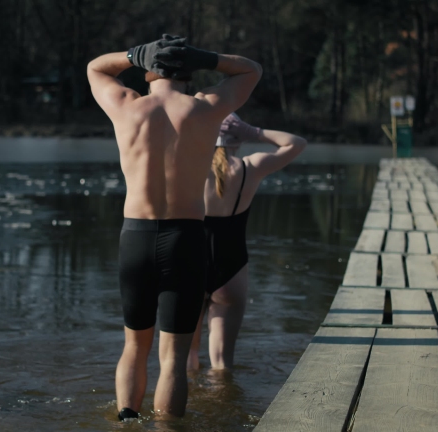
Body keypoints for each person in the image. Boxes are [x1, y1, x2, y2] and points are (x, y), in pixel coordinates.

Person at [86, 35, 262, 420]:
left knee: (134, 347)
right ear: (189, 74)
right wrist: (208, 58)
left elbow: (95, 67)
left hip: (136, 237)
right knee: (173, 359)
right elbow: (251, 69)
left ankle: (127, 422)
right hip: (185, 238)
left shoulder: (126, 106)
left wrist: (132, 55)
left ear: (149, 72)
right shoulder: (205, 109)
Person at [188, 113, 307, 371]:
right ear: (238, 139)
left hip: (190, 265)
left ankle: (194, 408)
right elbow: (296, 143)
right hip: (231, 268)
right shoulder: (250, 167)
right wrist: (253, 131)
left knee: (186, 360)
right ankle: (223, 406)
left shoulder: (189, 166)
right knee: (222, 365)